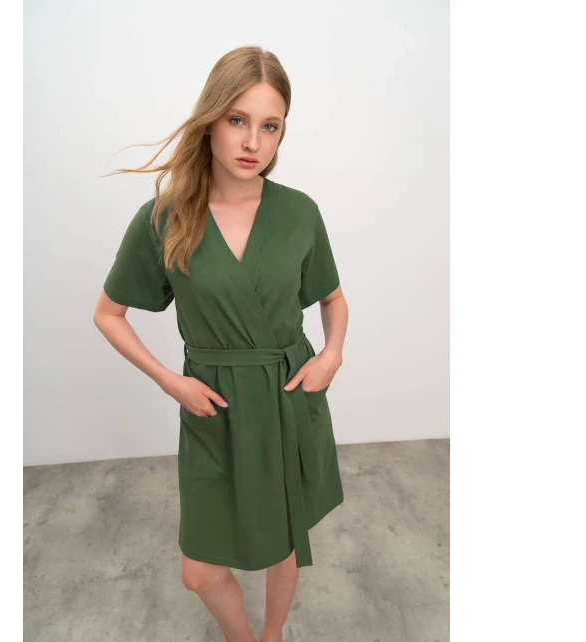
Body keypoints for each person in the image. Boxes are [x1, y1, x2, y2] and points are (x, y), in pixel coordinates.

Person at [93, 45, 348, 642]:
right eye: (238, 120)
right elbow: (108, 314)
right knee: (200, 571)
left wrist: (331, 354)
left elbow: (333, 299)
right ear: (210, 120)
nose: (253, 142)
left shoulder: (299, 213)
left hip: (287, 396)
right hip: (213, 405)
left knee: (287, 540)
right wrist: (170, 381)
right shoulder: (165, 218)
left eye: (270, 126)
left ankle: (271, 635)